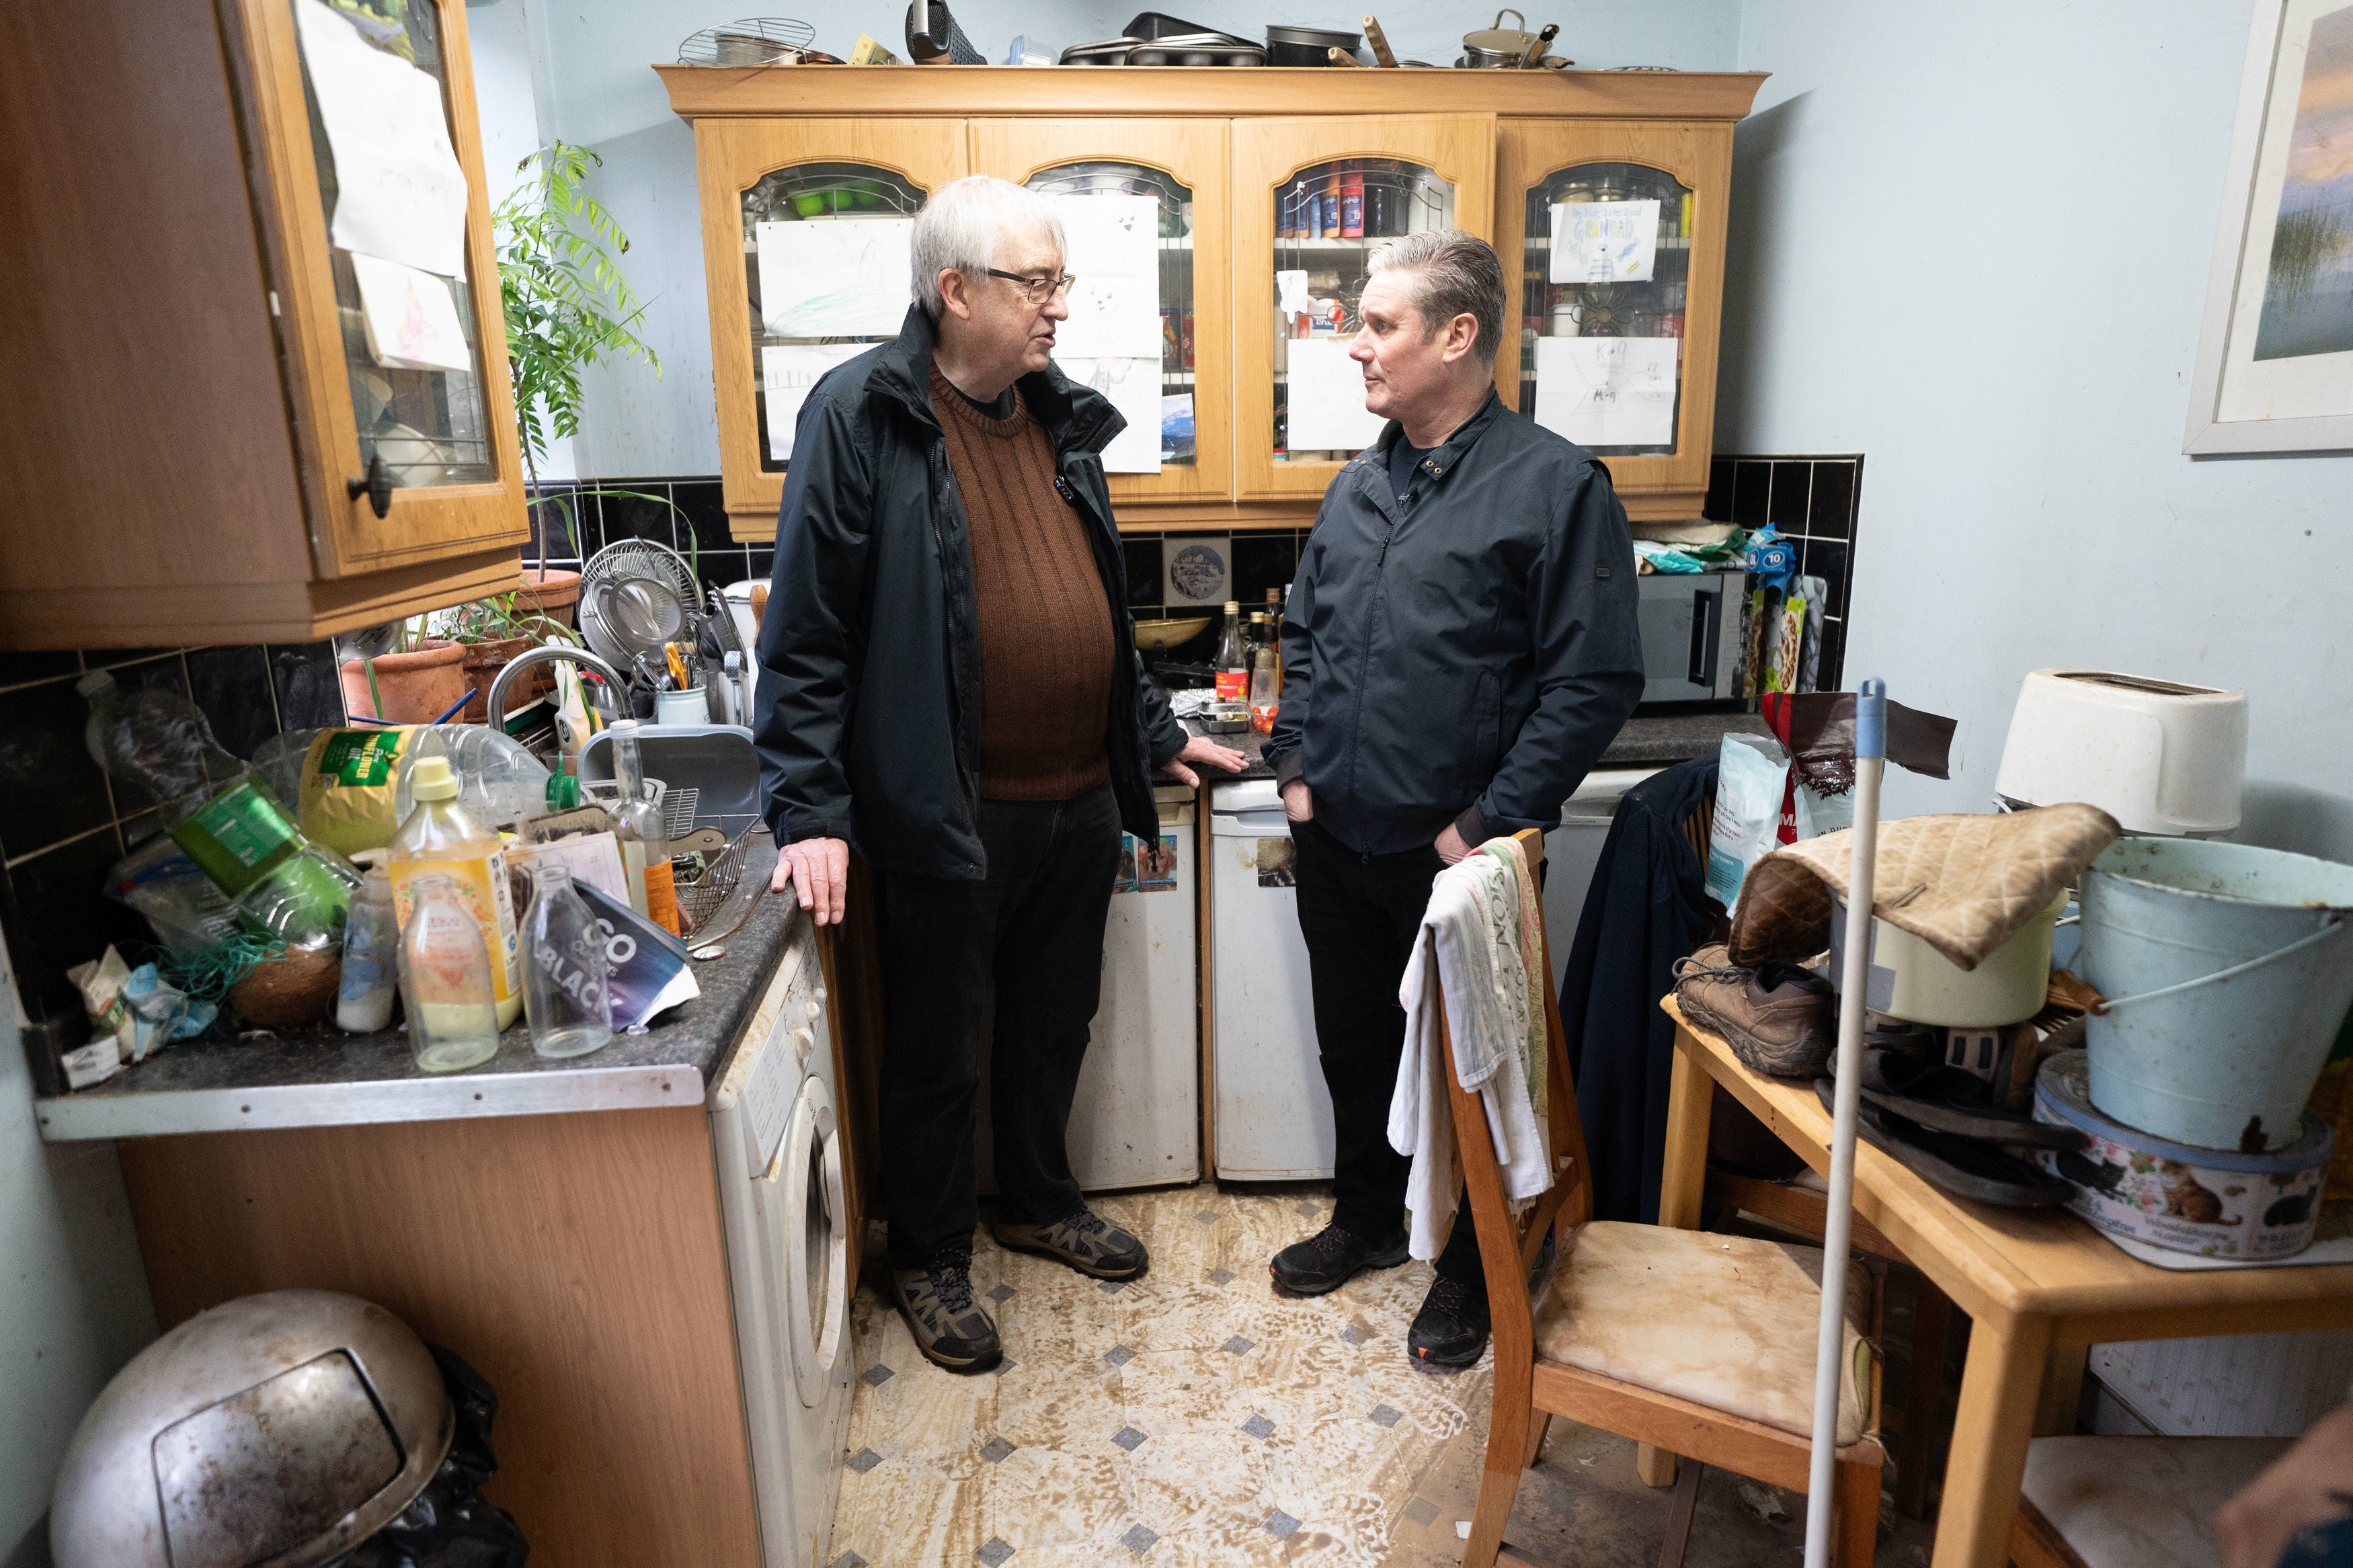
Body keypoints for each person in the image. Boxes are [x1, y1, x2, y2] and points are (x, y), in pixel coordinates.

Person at [752, 176, 1244, 1373]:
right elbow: (810, 632)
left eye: (1062, 282)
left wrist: (1151, 732)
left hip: (1079, 797)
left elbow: (1100, 611)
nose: (1057, 309)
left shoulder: (1059, 417)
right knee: (936, 1049)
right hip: (947, 812)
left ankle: (1034, 1196)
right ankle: (928, 1255)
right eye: (1037, 284)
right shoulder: (863, 414)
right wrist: (808, 807)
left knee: (1049, 1024)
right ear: (954, 289)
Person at [1261, 230, 1644, 1368]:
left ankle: (1476, 1270)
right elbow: (1304, 635)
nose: (1356, 348)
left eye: (1379, 325)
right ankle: (1373, 1218)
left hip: (1465, 859)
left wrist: (1481, 825)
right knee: (1356, 1047)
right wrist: (1291, 767)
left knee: (1479, 1071)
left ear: (1458, 335)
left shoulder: (1555, 485)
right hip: (1339, 837)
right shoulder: (1359, 484)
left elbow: (1593, 682)